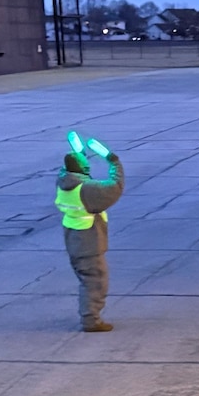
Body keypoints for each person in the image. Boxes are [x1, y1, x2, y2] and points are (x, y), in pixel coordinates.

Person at [55, 130, 124, 332]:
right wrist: (113, 160)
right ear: (83, 168)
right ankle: (91, 320)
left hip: (74, 241)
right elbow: (115, 186)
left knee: (87, 280)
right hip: (89, 244)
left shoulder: (64, 182)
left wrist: (79, 152)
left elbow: (72, 168)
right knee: (95, 282)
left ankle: (89, 315)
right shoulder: (87, 191)